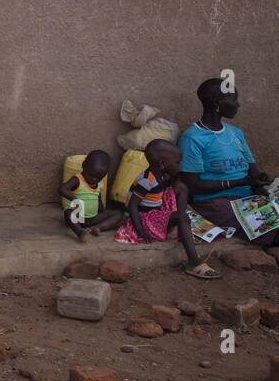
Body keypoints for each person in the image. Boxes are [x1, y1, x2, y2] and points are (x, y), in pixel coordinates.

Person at [179, 77, 278, 258]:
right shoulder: (193, 138)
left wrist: (261, 183)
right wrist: (241, 181)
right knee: (272, 226)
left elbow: (252, 170)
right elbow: (191, 185)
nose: (238, 104)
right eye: (234, 99)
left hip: (248, 197)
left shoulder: (235, 133)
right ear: (218, 103)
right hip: (216, 202)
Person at [115, 139, 219, 279]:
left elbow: (166, 189)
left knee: (182, 188)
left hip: (155, 209)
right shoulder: (146, 180)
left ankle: (178, 227)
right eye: (177, 163)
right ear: (163, 164)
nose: (179, 166)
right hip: (145, 218)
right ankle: (193, 262)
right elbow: (132, 206)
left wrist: (175, 176)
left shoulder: (161, 174)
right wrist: (140, 232)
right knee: (182, 217)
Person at [59, 150, 124, 240]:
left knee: (119, 214)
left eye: (99, 177)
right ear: (83, 165)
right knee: (68, 213)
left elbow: (98, 197)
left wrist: (101, 209)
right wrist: (75, 200)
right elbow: (62, 189)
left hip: (93, 218)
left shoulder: (99, 183)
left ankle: (97, 228)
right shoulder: (77, 179)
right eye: (91, 175)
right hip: (78, 217)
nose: (94, 179)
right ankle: (79, 231)